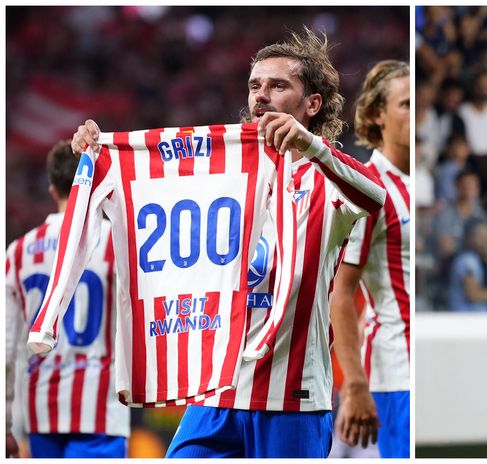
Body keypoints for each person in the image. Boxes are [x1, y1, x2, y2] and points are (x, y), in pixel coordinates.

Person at [70, 27, 386, 458]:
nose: (262, 95)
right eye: (255, 85)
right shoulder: (218, 181)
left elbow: (375, 196)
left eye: (278, 85)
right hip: (215, 393)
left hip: (290, 399)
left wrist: (312, 147)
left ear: (312, 104)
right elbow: (140, 214)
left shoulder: (325, 182)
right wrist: (98, 155)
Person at [6, 142, 129, 458]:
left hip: (39, 407)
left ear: (52, 189)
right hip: (102, 406)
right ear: (92, 184)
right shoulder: (117, 243)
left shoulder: (17, 254)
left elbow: (6, 345)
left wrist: (5, 421)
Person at [329, 60, 411, 458]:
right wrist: (354, 386)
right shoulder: (368, 187)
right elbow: (341, 294)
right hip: (396, 374)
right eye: (406, 104)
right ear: (378, 115)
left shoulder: (418, 184)